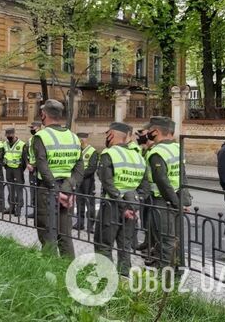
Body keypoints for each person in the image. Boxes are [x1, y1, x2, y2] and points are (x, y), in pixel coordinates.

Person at [94, 122, 149, 276]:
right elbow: (145, 187)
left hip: (111, 207)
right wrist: (134, 205)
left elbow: (107, 182)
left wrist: (122, 203)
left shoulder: (109, 154)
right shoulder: (138, 156)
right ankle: (124, 278)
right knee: (124, 246)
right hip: (131, 208)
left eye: (107, 134)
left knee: (103, 244)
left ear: (111, 134)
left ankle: (106, 279)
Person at [33, 99, 84, 257]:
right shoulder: (74, 137)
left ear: (43, 114)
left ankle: (50, 272)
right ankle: (68, 271)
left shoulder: (41, 136)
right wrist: (67, 190)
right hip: (66, 191)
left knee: (48, 234)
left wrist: (56, 191)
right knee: (65, 235)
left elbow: (42, 166)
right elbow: (79, 168)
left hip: (48, 190)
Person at [145, 116, 182, 268]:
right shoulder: (178, 147)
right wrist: (183, 201)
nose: (147, 133)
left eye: (149, 130)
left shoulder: (157, 152)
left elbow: (162, 181)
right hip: (176, 197)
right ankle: (178, 270)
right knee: (176, 239)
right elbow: (183, 176)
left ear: (156, 131)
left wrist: (174, 202)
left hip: (162, 200)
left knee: (165, 240)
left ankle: (165, 279)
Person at [73, 133, 98, 232]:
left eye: (81, 140)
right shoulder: (77, 151)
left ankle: (90, 226)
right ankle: (79, 223)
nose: (80, 141)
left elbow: (92, 168)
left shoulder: (93, 151)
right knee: (79, 202)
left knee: (90, 204)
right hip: (79, 181)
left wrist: (80, 174)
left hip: (88, 181)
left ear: (85, 140)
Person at [2, 128, 27, 217]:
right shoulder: (5, 144)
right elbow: (2, 155)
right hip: (8, 169)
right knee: (10, 189)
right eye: (7, 136)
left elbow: (25, 160)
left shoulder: (22, 144)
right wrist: (5, 165)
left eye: (10, 136)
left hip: (18, 170)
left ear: (14, 134)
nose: (8, 137)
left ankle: (19, 209)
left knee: (19, 189)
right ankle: (11, 207)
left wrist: (21, 169)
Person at [26, 121, 42, 218]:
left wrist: (34, 165)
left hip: (38, 168)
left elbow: (41, 155)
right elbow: (27, 153)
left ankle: (40, 212)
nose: (31, 129)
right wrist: (28, 163)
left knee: (39, 190)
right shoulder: (31, 139)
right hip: (31, 167)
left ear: (39, 127)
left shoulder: (41, 138)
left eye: (33, 128)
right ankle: (35, 211)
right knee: (33, 189)